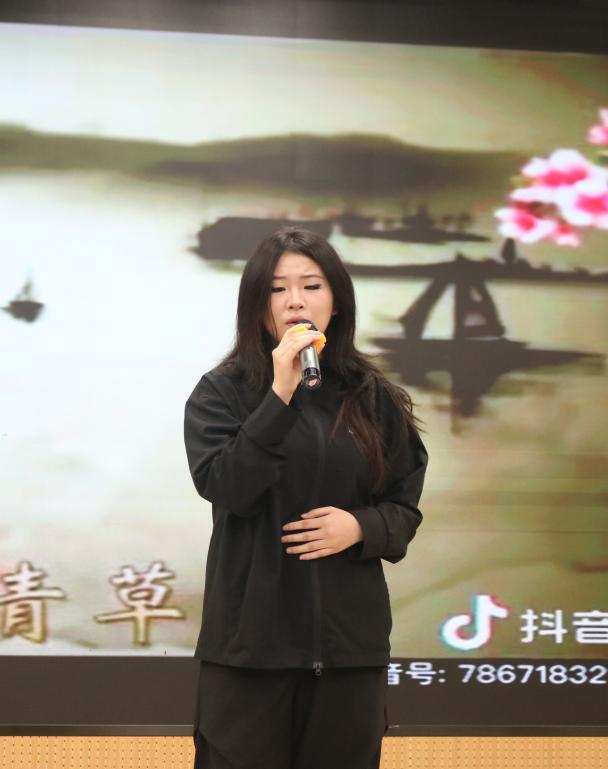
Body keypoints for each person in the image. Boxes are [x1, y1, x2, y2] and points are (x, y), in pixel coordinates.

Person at [183, 227, 428, 769]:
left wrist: (360, 527)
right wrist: (280, 394)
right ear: (258, 306)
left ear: (336, 302)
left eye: (311, 286)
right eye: (278, 288)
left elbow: (403, 508)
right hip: (250, 651)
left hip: (348, 652)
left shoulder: (374, 397)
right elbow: (226, 486)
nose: (295, 300)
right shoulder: (221, 391)